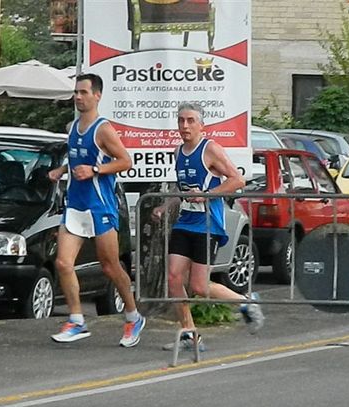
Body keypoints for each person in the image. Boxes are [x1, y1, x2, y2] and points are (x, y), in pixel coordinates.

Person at [152, 102, 264, 351]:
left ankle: (246, 301)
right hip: (186, 222)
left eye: (190, 120)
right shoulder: (178, 152)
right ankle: (189, 335)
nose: (184, 126)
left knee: (199, 287)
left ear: (201, 125)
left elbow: (237, 180)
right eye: (181, 120)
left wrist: (207, 194)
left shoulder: (210, 149)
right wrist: (164, 206)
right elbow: (181, 189)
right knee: (173, 278)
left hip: (208, 224)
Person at [48, 73, 146, 347]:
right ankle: (77, 320)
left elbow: (125, 161)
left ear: (97, 96)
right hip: (76, 205)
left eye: (83, 92)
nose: (78, 97)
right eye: (76, 92)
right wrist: (62, 170)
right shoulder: (73, 126)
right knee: (63, 263)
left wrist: (95, 170)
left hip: (100, 205)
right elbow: (77, 159)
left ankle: (133, 316)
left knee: (110, 266)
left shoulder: (104, 129)